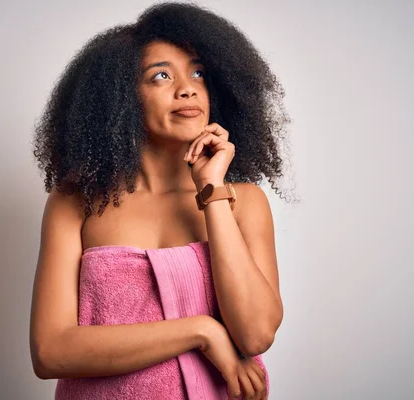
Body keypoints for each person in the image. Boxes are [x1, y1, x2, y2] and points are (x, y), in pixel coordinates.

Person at [29, 2, 294, 399]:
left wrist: (211, 189)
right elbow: (51, 353)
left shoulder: (243, 201)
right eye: (161, 76)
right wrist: (201, 331)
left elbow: (256, 333)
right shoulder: (77, 203)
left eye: (198, 73)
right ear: (122, 98)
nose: (187, 88)